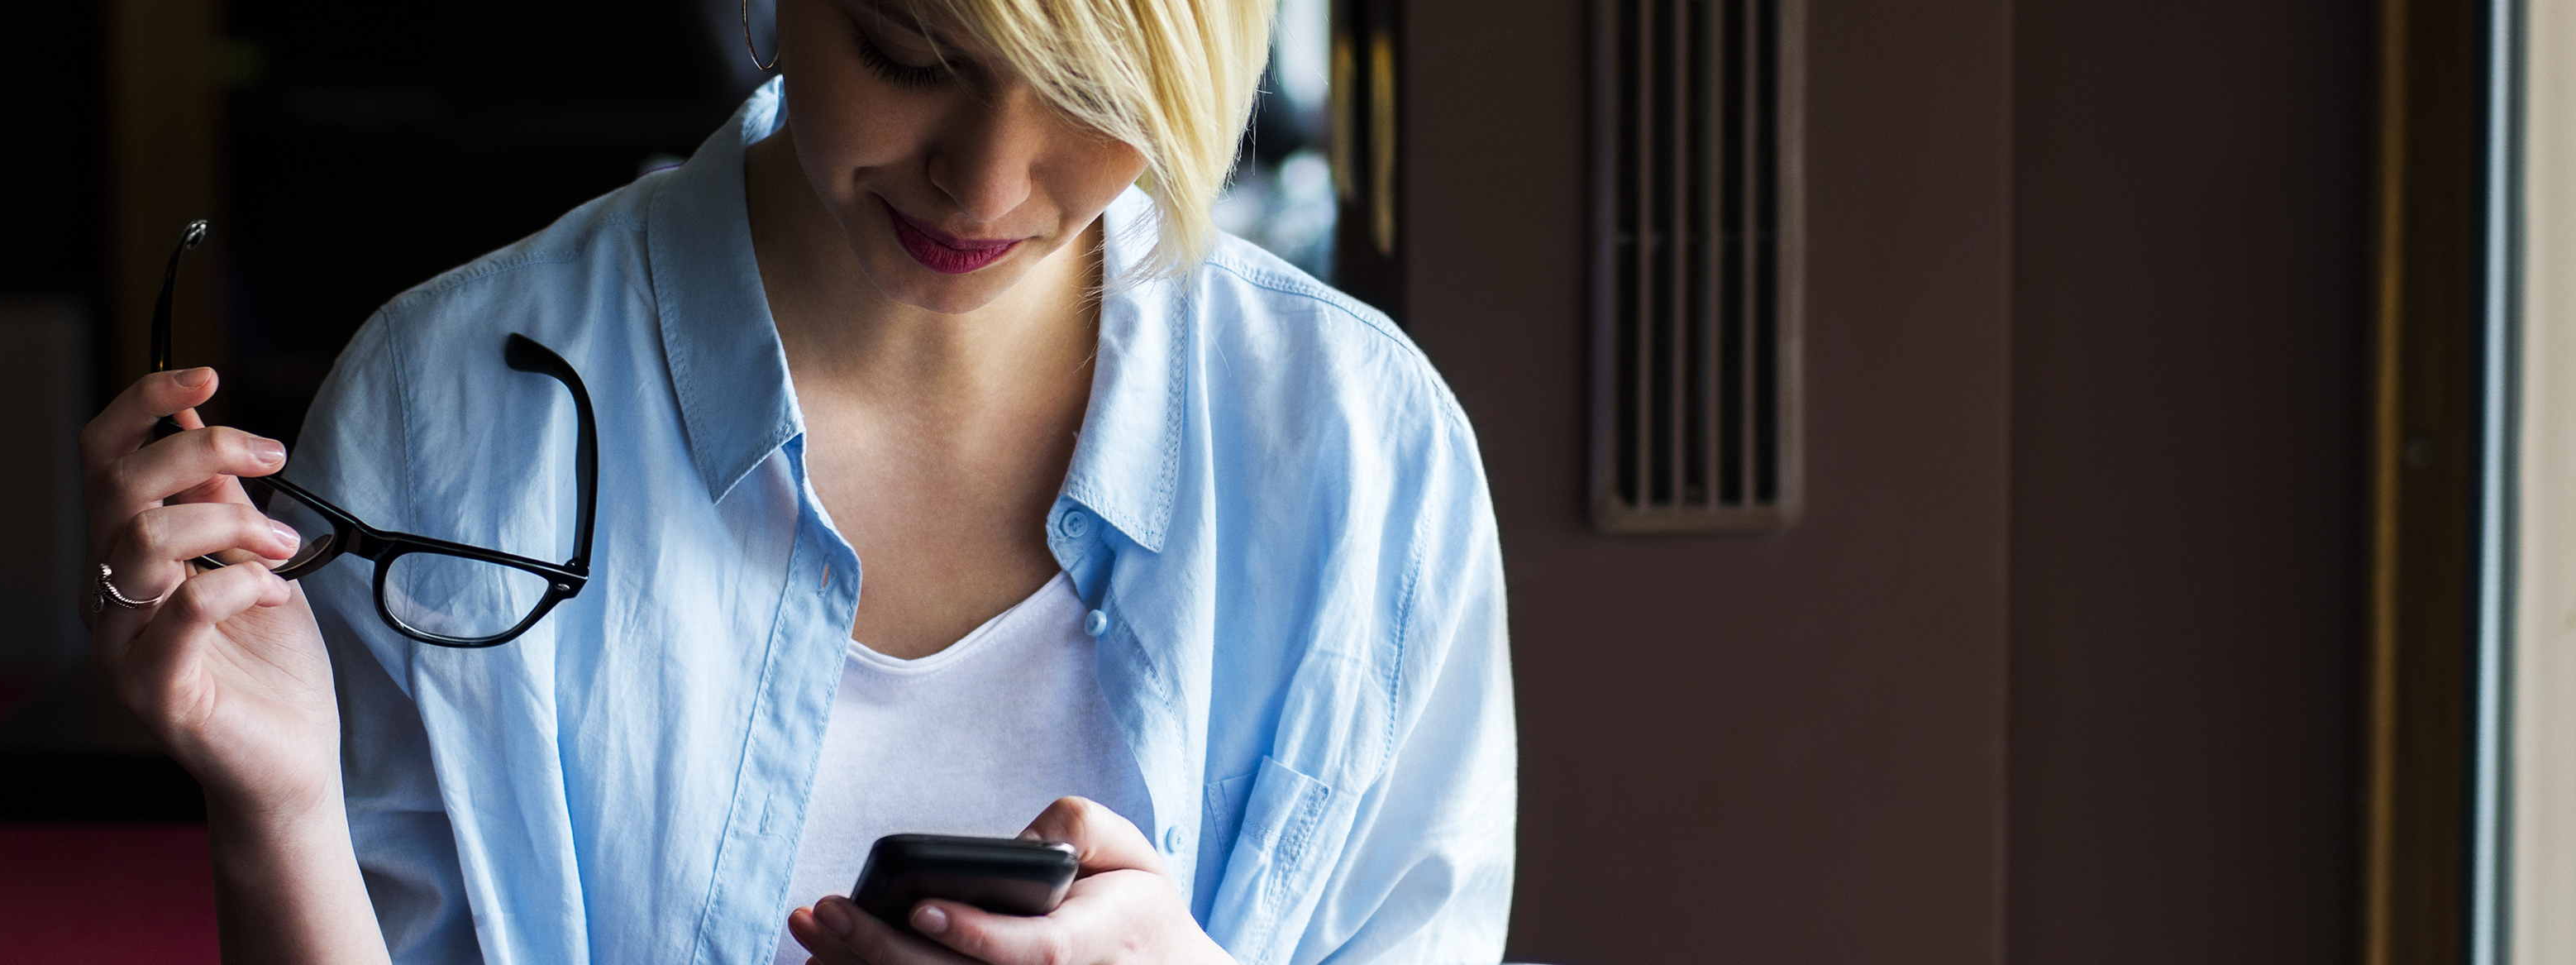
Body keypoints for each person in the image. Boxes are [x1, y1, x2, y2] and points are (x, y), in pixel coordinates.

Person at [74, 0, 1515, 961]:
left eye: (1090, 92)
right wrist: (280, 806)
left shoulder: (1360, 448)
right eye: (911, 52)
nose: (987, 183)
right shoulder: (446, 408)